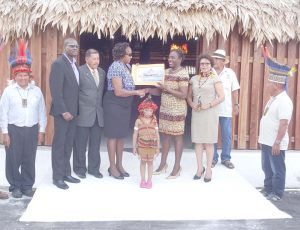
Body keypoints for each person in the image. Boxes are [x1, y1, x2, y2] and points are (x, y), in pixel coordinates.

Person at [0, 39, 47, 198]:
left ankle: (27, 185)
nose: (22, 78)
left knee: (29, 158)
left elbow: (42, 111)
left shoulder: (36, 91)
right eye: (19, 75)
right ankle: (15, 186)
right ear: (15, 76)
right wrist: (5, 132)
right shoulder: (8, 91)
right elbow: (3, 112)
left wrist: (41, 130)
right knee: (13, 159)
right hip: (14, 129)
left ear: (29, 75)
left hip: (32, 129)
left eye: (25, 75)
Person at [103, 42, 146, 179]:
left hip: (125, 104)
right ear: (121, 55)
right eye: (129, 54)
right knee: (113, 135)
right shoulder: (116, 66)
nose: (132, 56)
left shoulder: (127, 66)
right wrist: (136, 92)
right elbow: (118, 91)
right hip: (114, 103)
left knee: (121, 135)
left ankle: (120, 165)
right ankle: (112, 167)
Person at [258, 47, 294, 201]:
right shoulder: (274, 98)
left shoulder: (284, 101)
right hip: (266, 140)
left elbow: (284, 124)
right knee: (266, 167)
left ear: (277, 85)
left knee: (277, 168)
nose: (267, 85)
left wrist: (277, 143)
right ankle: (268, 189)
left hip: (275, 142)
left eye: (269, 83)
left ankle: (277, 193)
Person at [150, 49, 189, 179]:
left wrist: (167, 88)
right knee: (165, 136)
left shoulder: (183, 73)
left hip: (177, 109)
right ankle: (163, 164)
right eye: (169, 57)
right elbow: (159, 90)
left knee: (177, 137)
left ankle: (177, 167)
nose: (170, 60)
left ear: (180, 59)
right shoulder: (165, 72)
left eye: (173, 58)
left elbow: (183, 94)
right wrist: (146, 89)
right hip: (165, 108)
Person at [187, 54, 224, 182]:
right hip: (197, 113)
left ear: (211, 65)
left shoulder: (215, 79)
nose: (204, 66)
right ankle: (199, 168)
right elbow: (189, 96)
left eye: (207, 64)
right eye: (202, 63)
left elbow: (221, 97)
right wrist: (192, 105)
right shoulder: (194, 79)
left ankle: (208, 169)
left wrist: (208, 105)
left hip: (210, 113)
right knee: (198, 142)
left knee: (208, 142)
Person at [49, 38, 80, 189]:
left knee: (68, 144)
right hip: (64, 113)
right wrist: (63, 111)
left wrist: (73, 111)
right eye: (71, 46)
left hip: (73, 113)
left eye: (76, 46)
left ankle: (66, 173)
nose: (75, 48)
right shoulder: (59, 64)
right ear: (64, 47)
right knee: (59, 145)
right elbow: (56, 90)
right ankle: (57, 177)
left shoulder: (74, 64)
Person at [73, 49, 105, 179]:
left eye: (97, 59)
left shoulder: (102, 72)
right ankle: (79, 168)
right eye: (93, 59)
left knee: (95, 144)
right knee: (80, 143)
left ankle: (93, 168)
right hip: (83, 113)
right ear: (86, 59)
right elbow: (74, 93)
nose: (96, 61)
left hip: (98, 114)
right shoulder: (79, 71)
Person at [211, 49, 240, 169]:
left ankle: (226, 158)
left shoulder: (230, 73)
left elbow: (235, 89)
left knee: (226, 134)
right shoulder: (209, 71)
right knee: (211, 134)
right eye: (215, 59)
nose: (215, 61)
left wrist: (236, 105)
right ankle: (212, 158)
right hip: (211, 108)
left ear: (223, 61)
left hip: (226, 109)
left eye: (218, 59)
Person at [133, 96, 160, 189]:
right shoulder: (138, 121)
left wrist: (158, 147)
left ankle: (149, 180)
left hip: (152, 146)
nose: (149, 112)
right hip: (142, 146)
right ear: (142, 110)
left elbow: (157, 134)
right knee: (143, 162)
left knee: (150, 163)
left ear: (153, 111)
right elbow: (135, 134)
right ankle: (143, 180)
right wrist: (134, 147)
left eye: (150, 110)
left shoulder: (155, 121)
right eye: (146, 110)